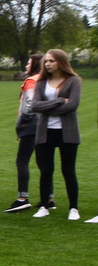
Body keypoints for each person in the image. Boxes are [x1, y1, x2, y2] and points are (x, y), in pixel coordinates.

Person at [30, 50, 81, 221]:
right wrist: (59, 101)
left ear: (61, 62)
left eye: (51, 61)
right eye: (46, 61)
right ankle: (44, 206)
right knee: (46, 170)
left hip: (67, 132)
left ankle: (73, 208)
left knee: (68, 170)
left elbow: (73, 105)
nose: (47, 64)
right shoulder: (41, 82)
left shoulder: (73, 81)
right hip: (45, 131)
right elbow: (35, 106)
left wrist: (47, 107)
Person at [5, 54, 45, 213]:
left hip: (31, 125)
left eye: (29, 63)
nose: (26, 66)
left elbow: (29, 104)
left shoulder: (31, 81)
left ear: (35, 65)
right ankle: (49, 199)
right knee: (43, 162)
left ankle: (22, 198)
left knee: (22, 161)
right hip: (45, 124)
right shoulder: (46, 80)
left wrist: (22, 122)